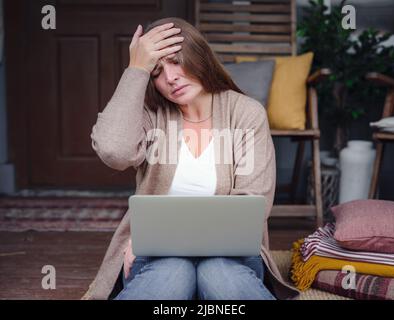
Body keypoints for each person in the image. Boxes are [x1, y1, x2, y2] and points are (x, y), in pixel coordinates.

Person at [85, 17, 299, 300]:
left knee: (217, 273)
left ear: (198, 54)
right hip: (157, 255)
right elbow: (114, 150)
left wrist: (171, 236)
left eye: (175, 61)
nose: (170, 78)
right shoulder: (152, 114)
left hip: (230, 254)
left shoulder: (246, 113)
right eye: (156, 71)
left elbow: (253, 203)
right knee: (174, 273)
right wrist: (136, 69)